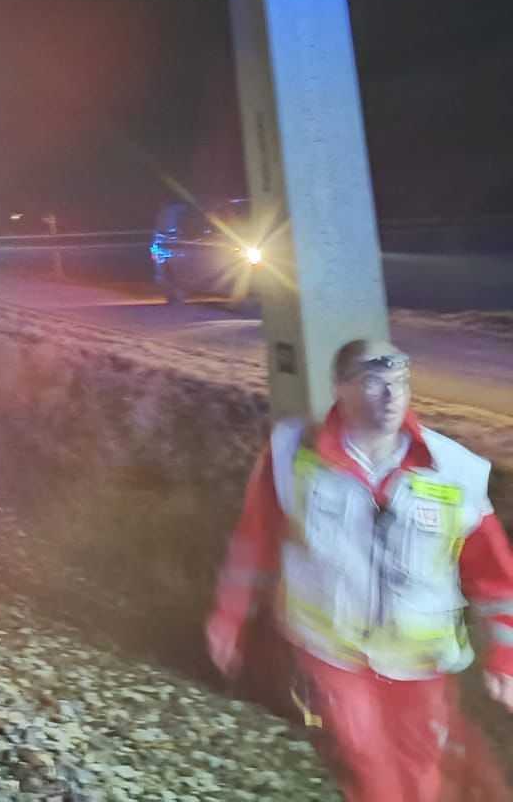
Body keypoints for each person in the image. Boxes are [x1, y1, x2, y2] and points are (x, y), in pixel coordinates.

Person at [208, 337, 513, 802]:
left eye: (400, 382)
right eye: (374, 383)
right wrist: (229, 617)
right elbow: (255, 542)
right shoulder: (293, 456)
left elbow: (495, 577)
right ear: (340, 387)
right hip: (333, 657)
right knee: (368, 765)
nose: (391, 396)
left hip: (420, 666)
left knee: (420, 774)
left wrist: (504, 655)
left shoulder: (453, 470)